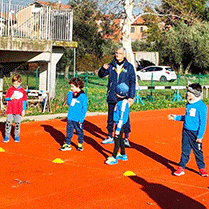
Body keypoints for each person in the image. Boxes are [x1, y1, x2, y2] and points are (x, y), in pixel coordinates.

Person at [98, 47, 136, 147]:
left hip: (124, 98)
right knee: (110, 118)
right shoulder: (111, 66)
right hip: (112, 96)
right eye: (116, 53)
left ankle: (126, 138)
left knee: (125, 118)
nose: (117, 55)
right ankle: (110, 136)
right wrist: (103, 69)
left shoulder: (129, 67)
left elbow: (133, 82)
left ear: (124, 55)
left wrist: (131, 97)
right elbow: (100, 75)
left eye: (120, 53)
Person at [168, 83, 208, 177]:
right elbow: (186, 117)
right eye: (188, 91)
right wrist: (175, 117)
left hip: (195, 133)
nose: (187, 94)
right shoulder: (188, 104)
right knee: (185, 150)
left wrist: (200, 136)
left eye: (190, 92)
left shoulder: (201, 106)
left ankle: (201, 168)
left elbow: (203, 123)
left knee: (198, 151)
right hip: (186, 131)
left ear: (196, 94)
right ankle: (181, 167)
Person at [59, 77, 87, 151]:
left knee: (79, 131)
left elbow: (84, 109)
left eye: (72, 86)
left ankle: (80, 144)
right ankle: (67, 144)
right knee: (69, 131)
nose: (71, 88)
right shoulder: (72, 94)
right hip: (70, 117)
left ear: (77, 86)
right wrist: (70, 93)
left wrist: (81, 119)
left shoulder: (83, 96)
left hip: (78, 119)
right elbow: (69, 103)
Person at [105, 83, 130, 165]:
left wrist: (118, 129)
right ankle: (123, 154)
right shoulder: (121, 101)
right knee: (120, 138)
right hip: (118, 123)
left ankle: (114, 157)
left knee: (116, 139)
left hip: (120, 124)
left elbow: (122, 117)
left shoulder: (123, 103)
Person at [3, 74, 27, 143]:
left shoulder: (22, 91)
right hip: (10, 109)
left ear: (20, 82)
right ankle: (7, 136)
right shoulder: (10, 90)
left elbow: (24, 101)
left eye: (17, 84)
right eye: (14, 84)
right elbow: (6, 98)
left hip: (18, 110)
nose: (15, 85)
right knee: (8, 122)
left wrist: (23, 109)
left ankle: (16, 135)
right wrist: (11, 98)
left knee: (17, 123)